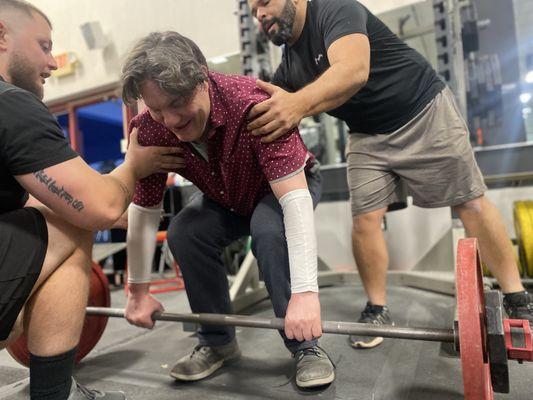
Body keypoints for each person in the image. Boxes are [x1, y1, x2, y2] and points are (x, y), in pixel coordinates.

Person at [246, 0, 533, 349]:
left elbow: (353, 70)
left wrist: (296, 105)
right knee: (365, 219)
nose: (259, 14)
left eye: (263, 2)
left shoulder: (334, 9)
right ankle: (377, 308)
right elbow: (256, 104)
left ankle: (517, 297)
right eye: (252, 11)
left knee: (469, 203)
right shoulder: (291, 64)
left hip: (422, 110)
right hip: (367, 135)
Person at [120, 31, 335, 389]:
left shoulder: (251, 104)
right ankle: (216, 341)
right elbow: (144, 212)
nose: (170, 120)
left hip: (286, 189)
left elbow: (293, 200)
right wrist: (137, 292)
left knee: (269, 228)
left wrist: (306, 295)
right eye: (156, 108)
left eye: (176, 103)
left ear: (202, 78)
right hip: (228, 197)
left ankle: (305, 346)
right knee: (185, 231)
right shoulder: (151, 130)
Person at [0, 1, 183, 399]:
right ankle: (54, 393)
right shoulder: (9, 102)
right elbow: (97, 207)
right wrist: (133, 166)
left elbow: (22, 209)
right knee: (74, 221)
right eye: (44, 45)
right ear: (1, 36)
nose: (52, 62)